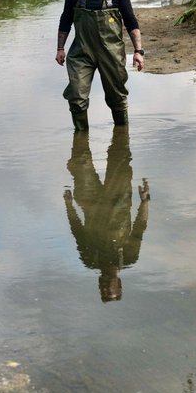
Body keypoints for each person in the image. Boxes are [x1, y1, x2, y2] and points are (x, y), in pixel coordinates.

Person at [55, 0, 144, 131]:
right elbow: (65, 19)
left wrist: (138, 51)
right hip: (81, 53)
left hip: (111, 53)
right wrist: (60, 48)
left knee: (117, 98)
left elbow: (131, 22)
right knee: (76, 97)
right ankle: (81, 142)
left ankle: (121, 136)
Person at [63, 129, 150, 302]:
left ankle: (81, 131)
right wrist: (145, 202)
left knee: (80, 162)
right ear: (119, 284)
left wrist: (69, 205)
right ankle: (118, 122)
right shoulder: (129, 256)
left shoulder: (89, 259)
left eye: (101, 290)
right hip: (120, 198)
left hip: (90, 200)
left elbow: (77, 230)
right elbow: (140, 228)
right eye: (108, 290)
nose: (103, 286)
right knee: (121, 157)